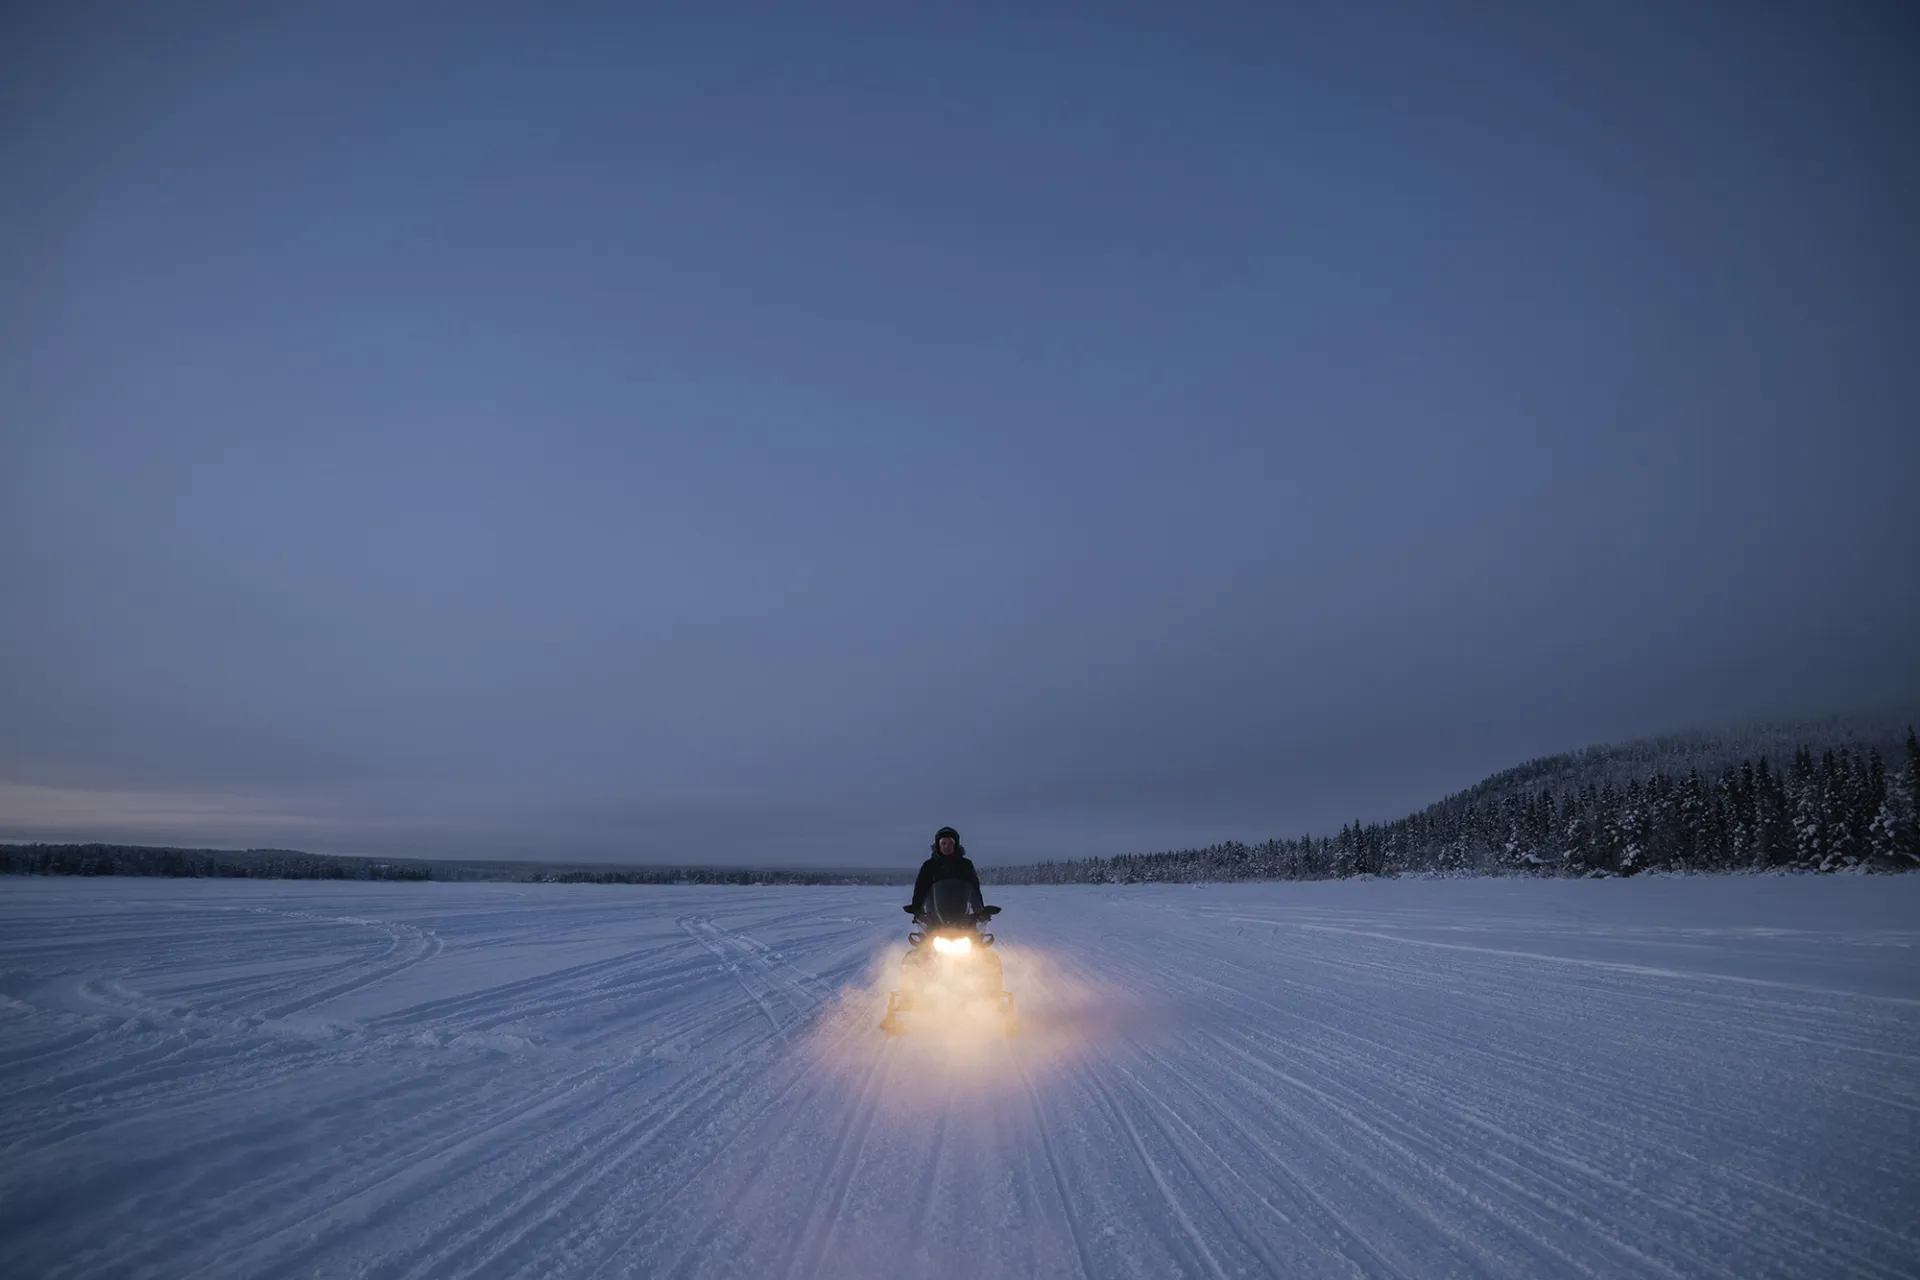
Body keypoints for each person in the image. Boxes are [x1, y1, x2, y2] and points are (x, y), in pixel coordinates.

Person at [908, 825, 985, 919]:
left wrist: (980, 911)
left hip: (961, 915)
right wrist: (916, 908)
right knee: (925, 931)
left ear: (955, 845)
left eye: (950, 843)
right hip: (934, 916)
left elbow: (974, 888)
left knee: (975, 931)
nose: (947, 846)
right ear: (938, 845)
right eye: (943, 843)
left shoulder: (965, 865)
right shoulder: (929, 866)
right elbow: (921, 889)